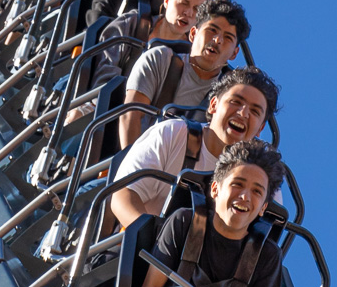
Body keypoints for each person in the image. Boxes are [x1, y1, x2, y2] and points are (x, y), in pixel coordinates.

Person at [63, 0, 240, 125]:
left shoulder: (191, 57)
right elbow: (105, 69)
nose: (188, 13)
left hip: (148, 126)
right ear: (167, 0)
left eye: (196, 9)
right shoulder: (133, 23)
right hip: (102, 105)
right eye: (183, 3)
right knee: (77, 118)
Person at [138, 139, 286, 287]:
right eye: (237, 184)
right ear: (215, 189)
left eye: (256, 191)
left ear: (263, 208)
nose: (244, 196)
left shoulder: (266, 256)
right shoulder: (184, 222)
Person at [110, 66, 280, 228]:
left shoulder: (264, 178)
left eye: (255, 111)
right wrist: (154, 248)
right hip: (135, 252)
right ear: (213, 105)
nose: (243, 113)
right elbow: (122, 196)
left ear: (260, 128)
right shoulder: (174, 134)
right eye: (236, 101)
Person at [118, 0, 250, 149]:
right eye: (212, 30)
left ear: (234, 53)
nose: (217, 40)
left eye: (228, 38)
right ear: (193, 34)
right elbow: (131, 115)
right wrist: (134, 169)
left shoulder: (230, 96)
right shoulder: (160, 59)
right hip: (140, 154)